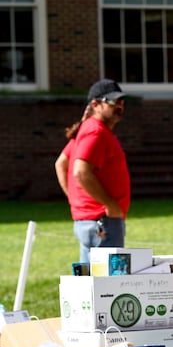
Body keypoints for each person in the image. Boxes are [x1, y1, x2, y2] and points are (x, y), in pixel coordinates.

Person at [56, 80, 130, 264]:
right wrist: (110, 205)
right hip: (103, 221)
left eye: (121, 101)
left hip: (91, 221)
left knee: (90, 287)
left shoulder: (88, 130)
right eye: (112, 101)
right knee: (108, 289)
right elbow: (80, 172)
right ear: (95, 104)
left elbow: (61, 163)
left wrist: (76, 200)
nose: (119, 106)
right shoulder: (95, 132)